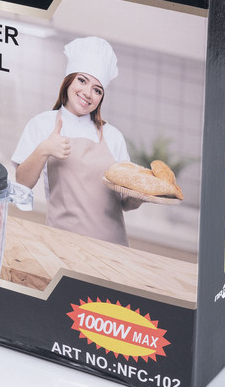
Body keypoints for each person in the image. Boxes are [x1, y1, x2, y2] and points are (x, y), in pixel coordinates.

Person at [12, 36, 139, 246]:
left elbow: (126, 203)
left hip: (113, 249)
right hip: (64, 246)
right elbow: (22, 184)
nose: (87, 93)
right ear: (69, 80)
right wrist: (44, 149)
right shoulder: (42, 124)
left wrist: (139, 195)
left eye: (97, 90)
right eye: (82, 80)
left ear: (101, 97)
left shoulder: (113, 136)